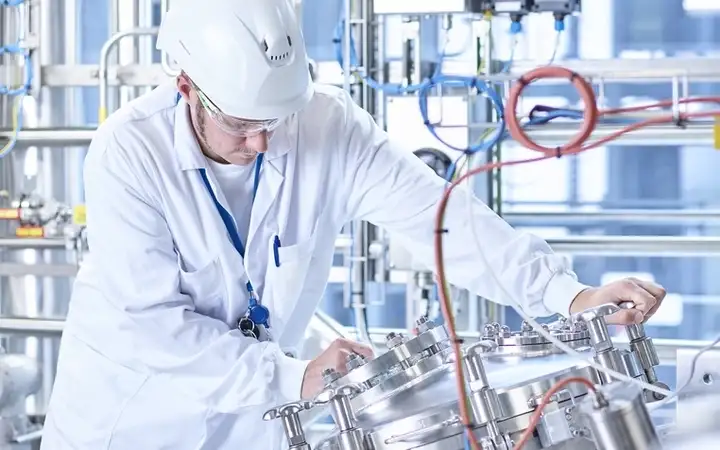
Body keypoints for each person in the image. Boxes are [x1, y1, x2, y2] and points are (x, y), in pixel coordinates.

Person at [40, 0, 666, 449]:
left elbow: (439, 219)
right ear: (185, 87)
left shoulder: (324, 124)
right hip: (129, 420)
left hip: (250, 424)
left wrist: (567, 294)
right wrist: (296, 374)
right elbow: (152, 327)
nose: (262, 143)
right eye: (240, 124)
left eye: (274, 121)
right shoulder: (128, 152)